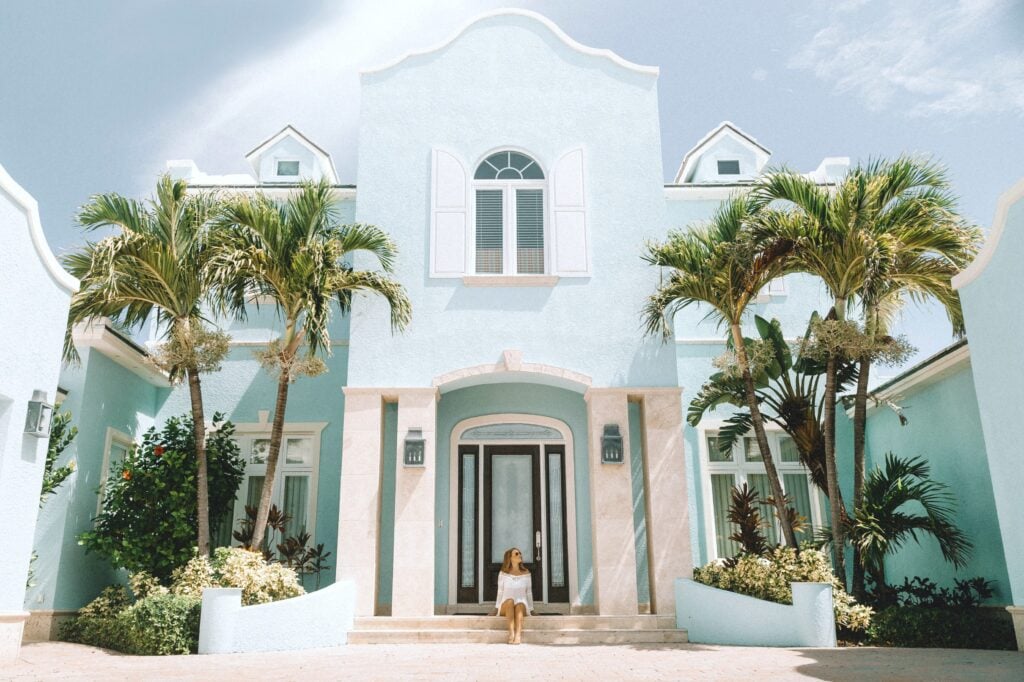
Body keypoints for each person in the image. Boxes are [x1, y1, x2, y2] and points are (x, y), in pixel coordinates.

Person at [494, 547, 533, 644]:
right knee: (510, 601)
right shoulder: (503, 574)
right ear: (510, 558)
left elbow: (529, 593)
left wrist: (532, 609)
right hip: (506, 605)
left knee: (519, 603)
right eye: (516, 554)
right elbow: (500, 592)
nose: (520, 555)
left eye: (520, 553)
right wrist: (496, 608)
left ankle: (518, 635)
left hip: (522, 605)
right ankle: (511, 633)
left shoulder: (526, 573)